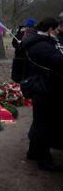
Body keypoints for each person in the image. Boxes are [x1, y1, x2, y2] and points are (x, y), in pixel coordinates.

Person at [21, 17, 63, 172]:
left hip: (42, 86)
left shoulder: (40, 42)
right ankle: (43, 159)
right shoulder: (42, 46)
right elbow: (59, 63)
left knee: (40, 121)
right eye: (57, 30)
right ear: (50, 30)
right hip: (44, 88)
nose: (58, 33)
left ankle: (34, 152)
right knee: (44, 123)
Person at [11, 18, 36, 83]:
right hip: (18, 58)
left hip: (28, 59)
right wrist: (18, 44)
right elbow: (14, 43)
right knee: (17, 78)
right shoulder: (20, 33)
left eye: (29, 27)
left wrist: (23, 44)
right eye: (26, 26)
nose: (27, 28)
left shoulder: (35, 35)